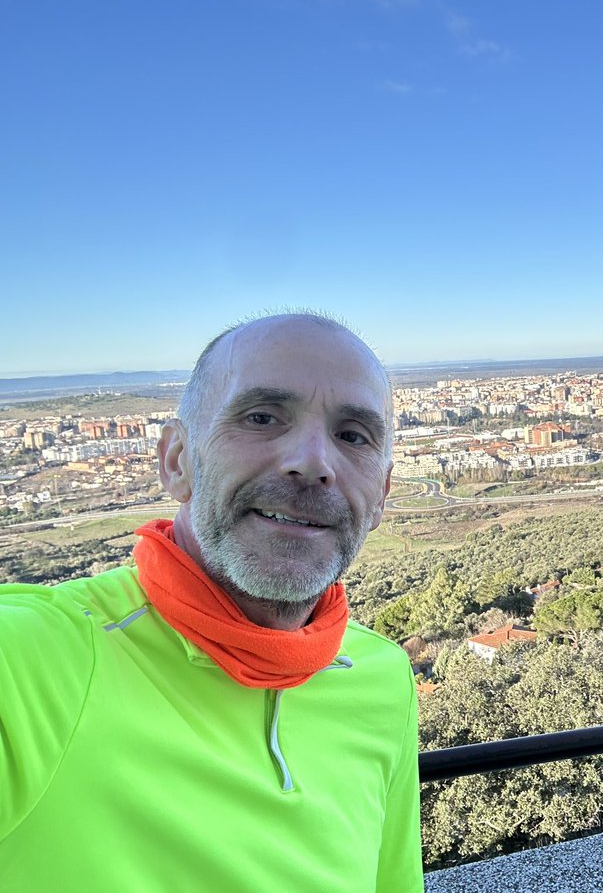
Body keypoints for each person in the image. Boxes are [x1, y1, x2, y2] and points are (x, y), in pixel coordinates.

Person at [0, 313, 423, 891]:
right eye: (262, 417)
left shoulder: (382, 674)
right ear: (177, 461)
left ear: (381, 496)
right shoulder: (41, 657)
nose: (312, 462)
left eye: (353, 435)